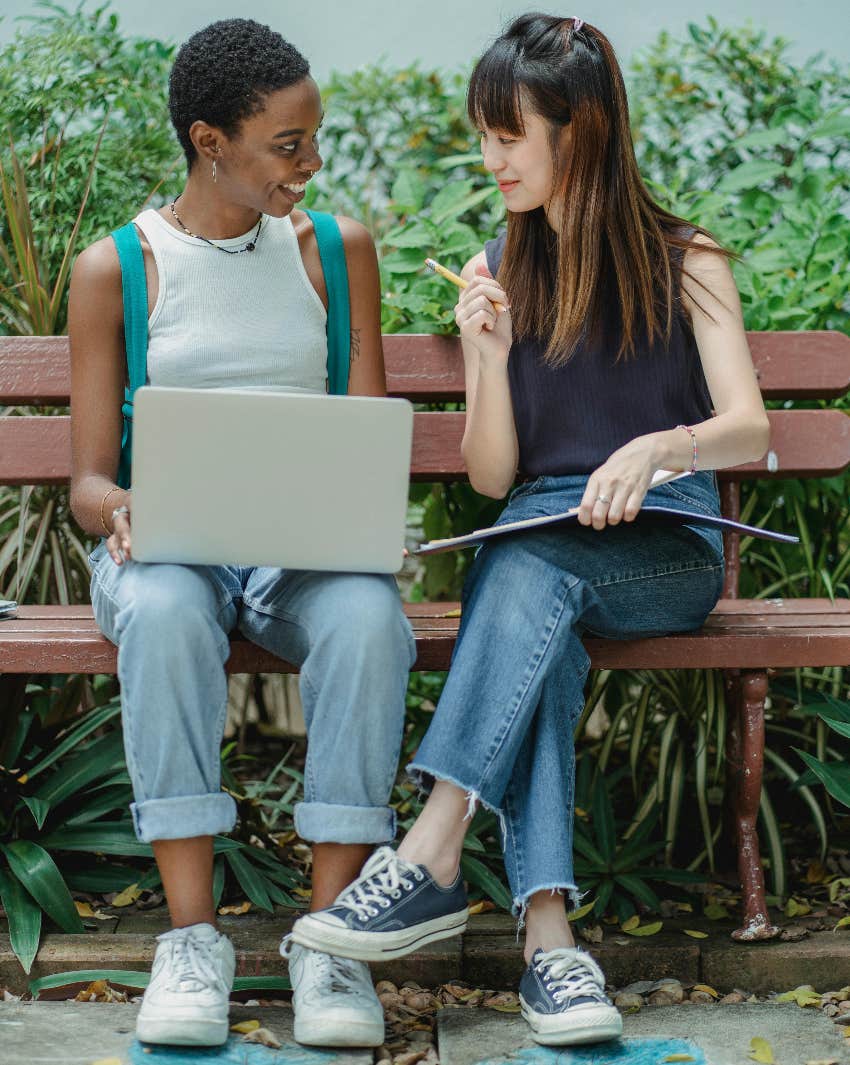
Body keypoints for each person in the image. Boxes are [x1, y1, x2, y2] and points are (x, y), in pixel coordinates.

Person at [288, 12, 770, 1048]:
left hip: (660, 551)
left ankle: (428, 852)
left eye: (510, 135)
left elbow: (748, 425)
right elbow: (496, 474)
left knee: (526, 570)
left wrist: (658, 451)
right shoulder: (501, 264)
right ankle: (552, 949)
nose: (490, 157)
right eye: (483, 134)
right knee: (531, 585)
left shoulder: (687, 261)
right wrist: (486, 352)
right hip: (539, 551)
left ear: (579, 134)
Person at [68, 18, 415, 1050]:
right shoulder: (116, 267)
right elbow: (88, 479)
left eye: (314, 139)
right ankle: (191, 941)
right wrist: (117, 507)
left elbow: (365, 429)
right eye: (287, 144)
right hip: (167, 551)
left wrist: (368, 518)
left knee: (366, 620)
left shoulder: (336, 250)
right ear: (210, 141)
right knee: (168, 610)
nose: (310, 164)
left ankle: (329, 943)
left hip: (301, 556)